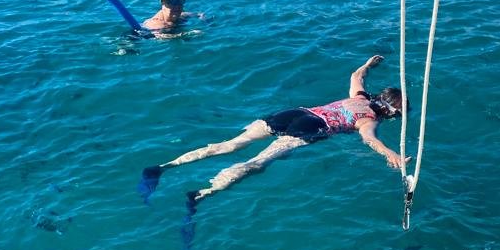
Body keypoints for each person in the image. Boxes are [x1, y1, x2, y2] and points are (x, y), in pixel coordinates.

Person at [140, 55, 408, 206]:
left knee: (230, 144)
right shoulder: (369, 117)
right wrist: (390, 154)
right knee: (256, 163)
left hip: (295, 113)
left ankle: (163, 167)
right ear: (391, 111)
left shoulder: (359, 98)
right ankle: (202, 193)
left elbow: (355, 76)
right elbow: (369, 139)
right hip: (313, 127)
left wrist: (368, 65)